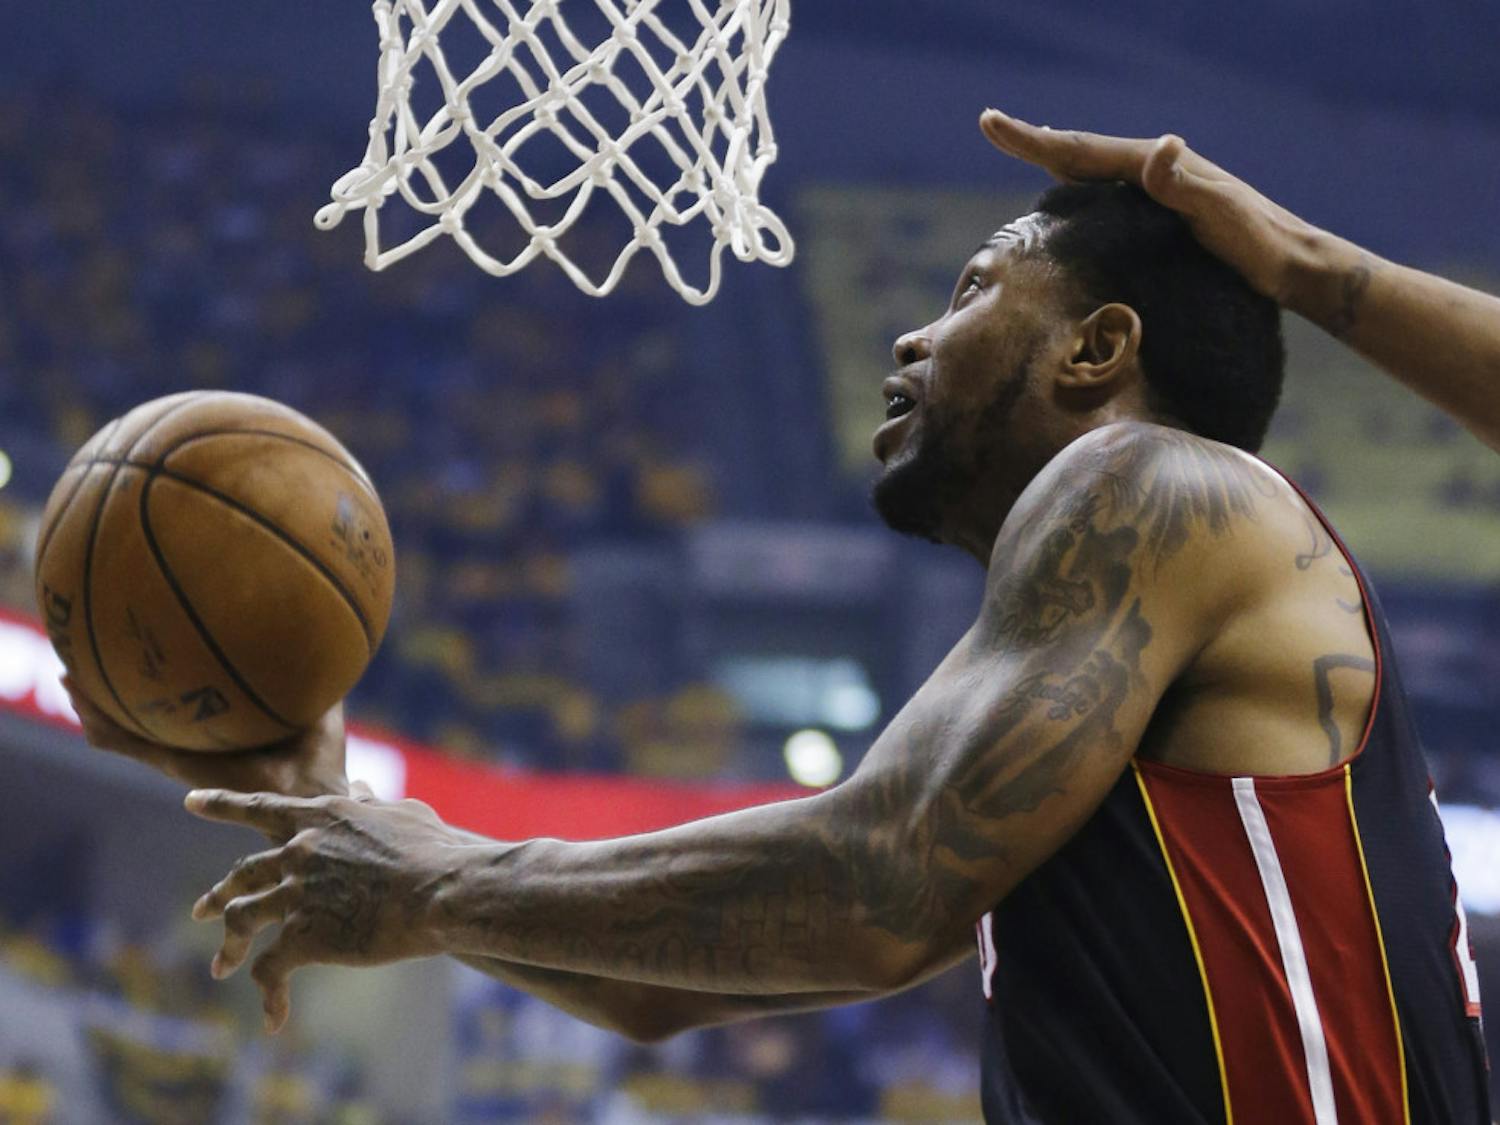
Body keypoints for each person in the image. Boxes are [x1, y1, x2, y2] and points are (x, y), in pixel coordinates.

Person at [69, 112, 1495, 1124]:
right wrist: (353, 821)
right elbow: (655, 993)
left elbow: (882, 884)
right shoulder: (1094, 682)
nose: (911, 338)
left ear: (1101, 346)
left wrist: (438, 881)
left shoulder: (1159, 481)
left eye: (973, 286)